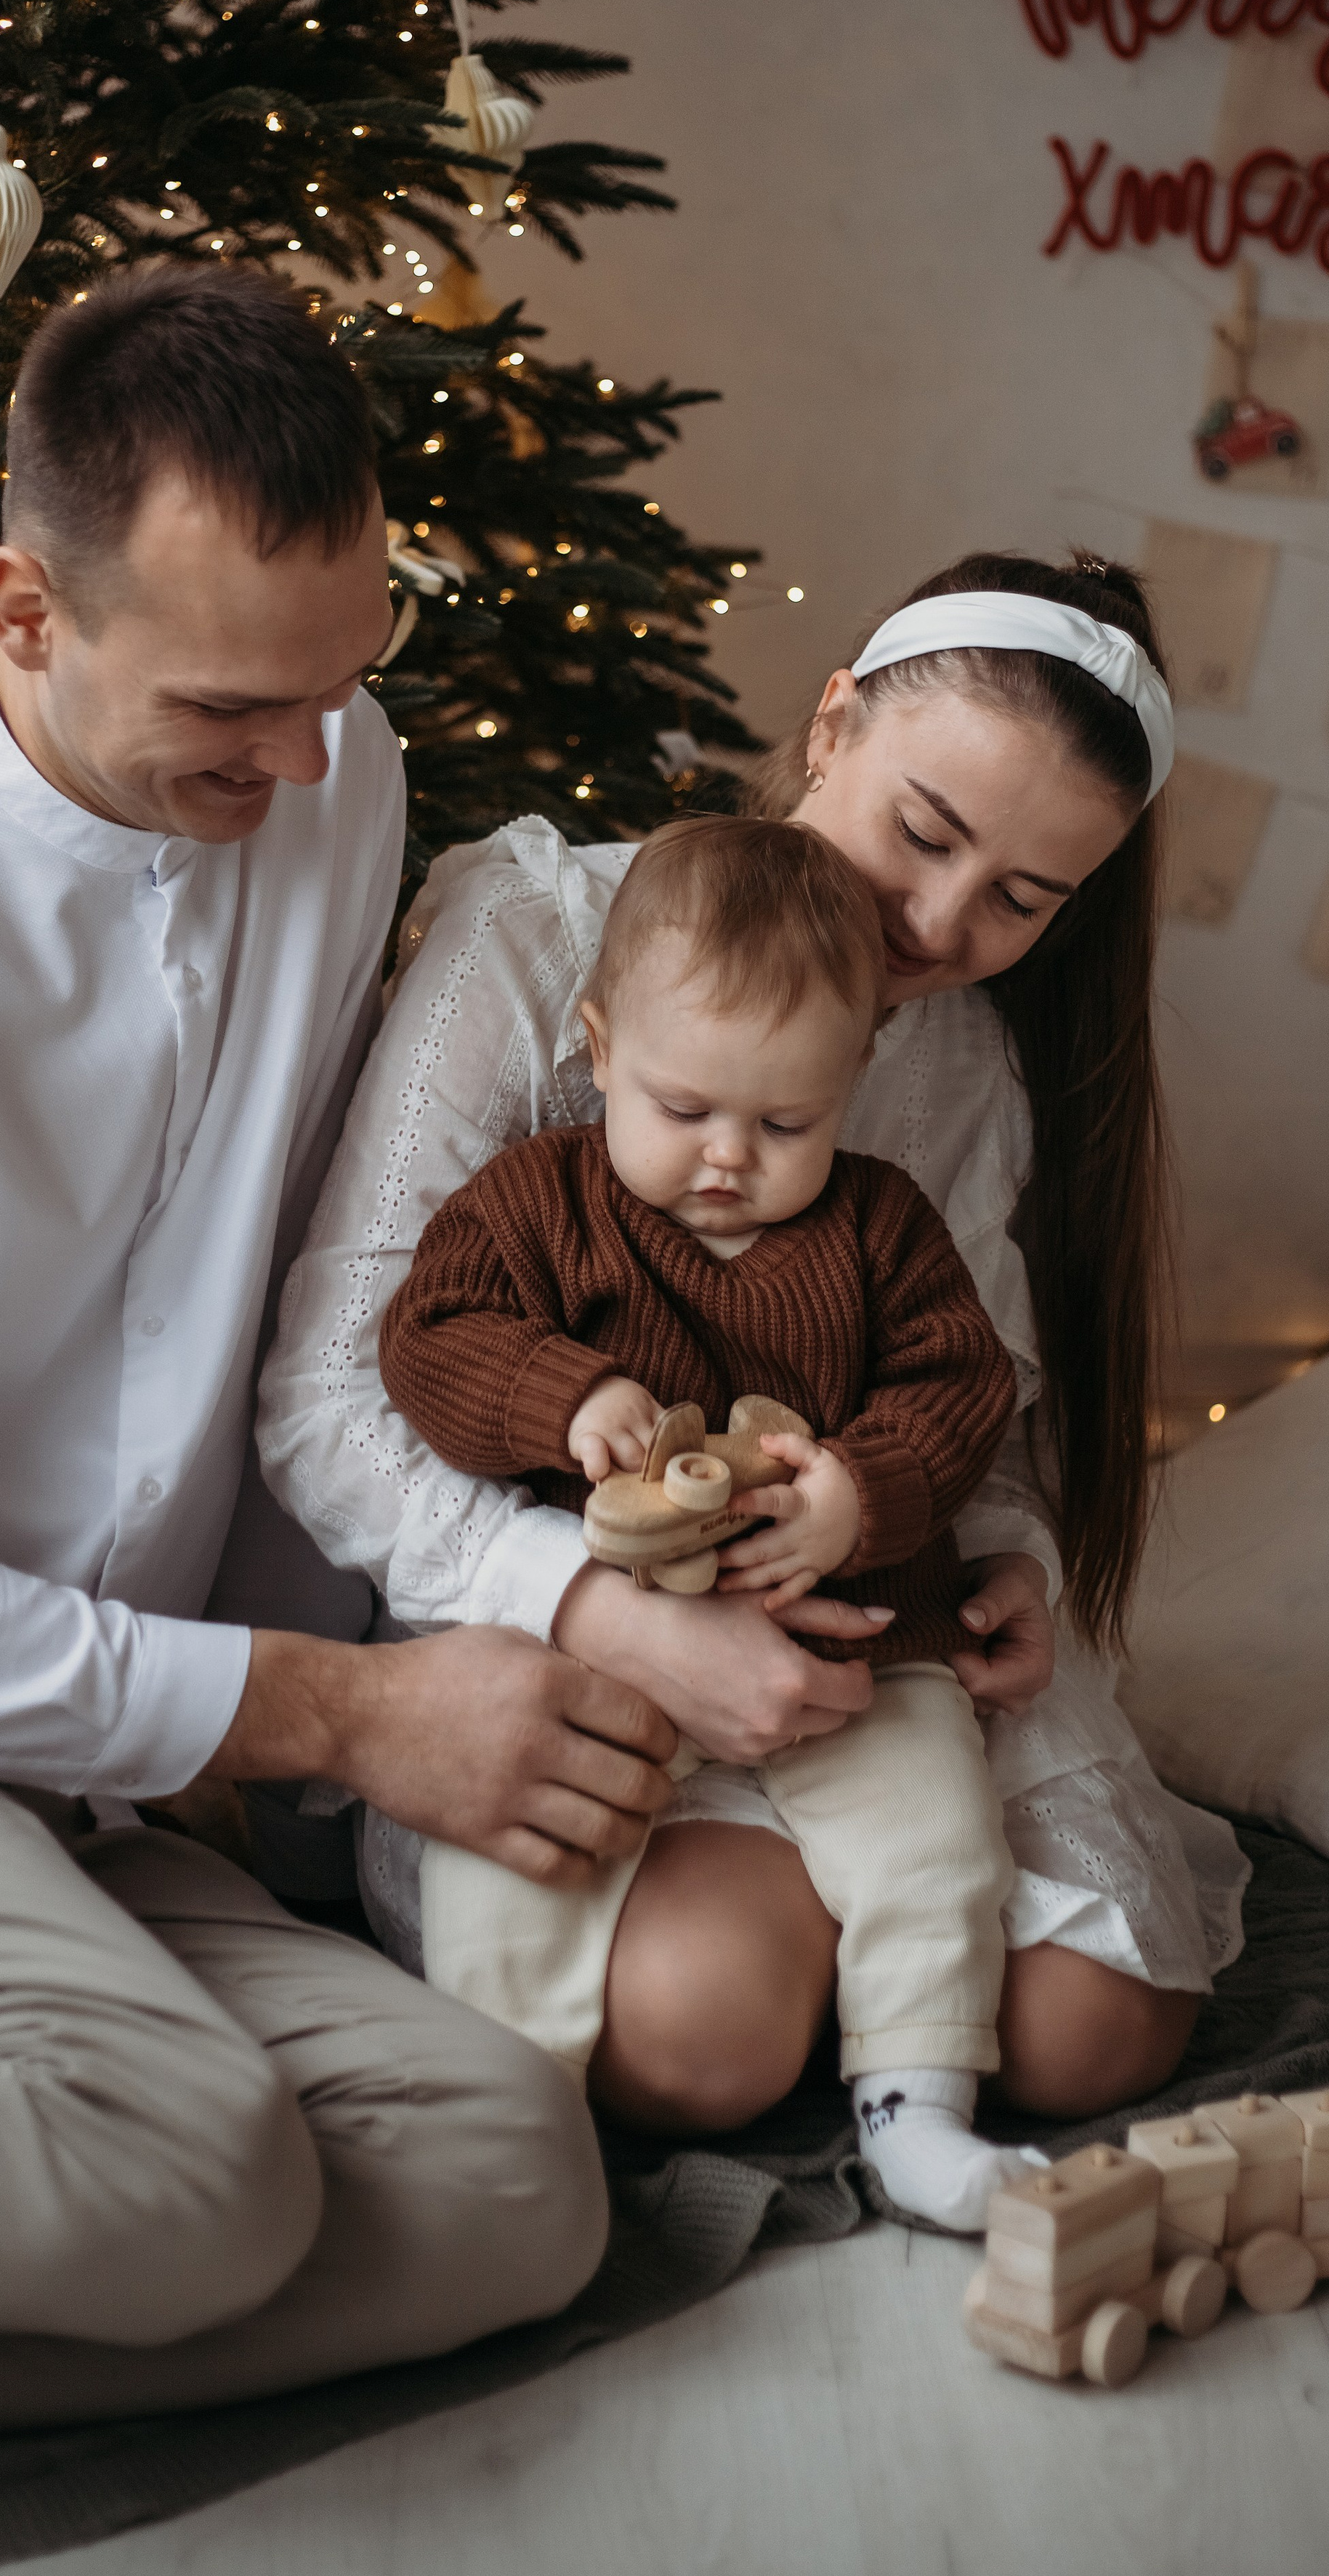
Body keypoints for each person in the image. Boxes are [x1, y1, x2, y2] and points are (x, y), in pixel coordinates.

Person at [0, 263, 681, 2470]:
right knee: (188, 2155)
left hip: (74, 1760)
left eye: (335, 692)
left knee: (511, 2183)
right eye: (225, 717)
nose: (298, 770)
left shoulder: (331, 763)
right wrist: (346, 1715)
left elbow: (285, 1295)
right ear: (20, 610)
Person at [259, 552, 1253, 2134]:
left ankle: (873, 1986)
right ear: (831, 723)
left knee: (1091, 2034)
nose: (931, 921)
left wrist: (1010, 1564)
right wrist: (602, 1610)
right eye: (922, 832)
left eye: (1018, 899)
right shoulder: (537, 943)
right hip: (563, 1624)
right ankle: (799, 1955)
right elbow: (330, 1392)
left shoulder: (964, 1066)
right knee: (699, 2040)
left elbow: (970, 1400)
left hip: (869, 1631)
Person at [381, 813, 1037, 2229]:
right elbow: (427, 1337)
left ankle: (917, 2110)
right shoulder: (537, 1202)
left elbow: (959, 1382)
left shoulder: (878, 1225)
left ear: (850, 1083)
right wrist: (562, 1397)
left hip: (852, 1640)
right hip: (604, 1640)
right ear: (598, 1045)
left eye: (782, 1122)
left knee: (934, 1838)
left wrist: (860, 1490)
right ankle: (510, 2104)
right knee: (516, 1847)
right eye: (683, 1110)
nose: (727, 1159)